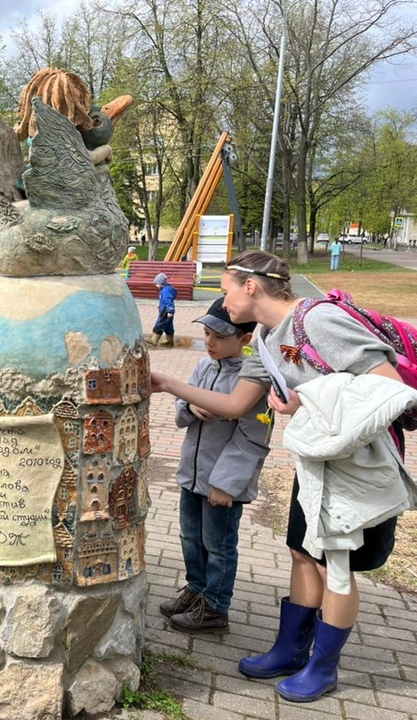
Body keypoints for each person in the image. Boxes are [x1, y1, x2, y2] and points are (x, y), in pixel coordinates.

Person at [151, 250, 411, 703]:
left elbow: (391, 389)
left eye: (226, 289)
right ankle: (290, 650)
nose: (222, 301)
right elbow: (234, 405)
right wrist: (168, 384)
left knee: (337, 567)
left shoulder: (320, 320)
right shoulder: (268, 339)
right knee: (300, 553)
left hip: (359, 465)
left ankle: (323, 667)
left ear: (250, 286)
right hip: (317, 462)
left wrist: (304, 401)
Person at [161, 298, 269, 635]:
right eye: (207, 334)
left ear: (244, 339)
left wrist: (226, 483)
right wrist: (190, 410)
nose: (209, 343)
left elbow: (253, 438)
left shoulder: (253, 381)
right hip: (192, 476)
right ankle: (196, 590)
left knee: (218, 546)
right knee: (190, 538)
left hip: (221, 486)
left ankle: (215, 608)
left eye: (219, 337)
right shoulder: (204, 367)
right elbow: (184, 402)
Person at [149, 272, 177, 346]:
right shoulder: (166, 289)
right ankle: (169, 340)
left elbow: (168, 300)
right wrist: (160, 306)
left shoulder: (165, 291)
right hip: (165, 309)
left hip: (165, 311)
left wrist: (170, 310)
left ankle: (154, 340)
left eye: (157, 283)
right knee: (168, 325)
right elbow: (165, 301)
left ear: (161, 283)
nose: (156, 285)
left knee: (160, 324)